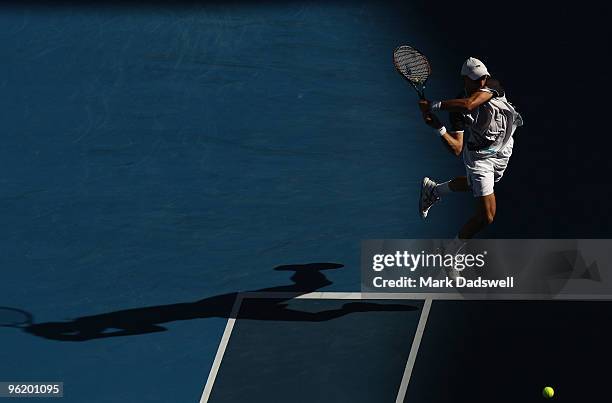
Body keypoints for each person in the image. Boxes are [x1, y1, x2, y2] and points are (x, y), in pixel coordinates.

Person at [418, 57, 523, 240]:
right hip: (479, 159)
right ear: (465, 79)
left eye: (483, 77)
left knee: (472, 184)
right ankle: (450, 255)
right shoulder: (457, 109)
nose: (481, 82)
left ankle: (434, 190)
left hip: (503, 149)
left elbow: (470, 104)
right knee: (487, 217)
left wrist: (433, 105)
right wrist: (438, 128)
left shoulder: (492, 85)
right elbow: (457, 148)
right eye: (476, 79)